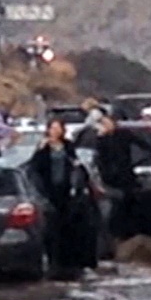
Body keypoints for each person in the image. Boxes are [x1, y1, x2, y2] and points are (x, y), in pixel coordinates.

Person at [28, 119, 95, 280]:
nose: (55, 131)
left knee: (70, 227)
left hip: (67, 193)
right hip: (50, 191)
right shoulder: (43, 148)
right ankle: (54, 263)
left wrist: (79, 185)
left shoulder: (68, 146)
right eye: (52, 128)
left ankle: (71, 264)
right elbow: (34, 168)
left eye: (58, 128)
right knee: (52, 228)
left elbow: (77, 166)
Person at [94, 114, 151, 242]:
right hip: (109, 178)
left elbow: (140, 143)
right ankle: (117, 234)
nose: (105, 126)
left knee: (128, 202)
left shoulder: (124, 134)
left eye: (107, 123)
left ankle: (128, 233)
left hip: (125, 174)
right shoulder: (101, 140)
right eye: (103, 124)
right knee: (115, 205)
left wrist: (150, 151)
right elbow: (99, 158)